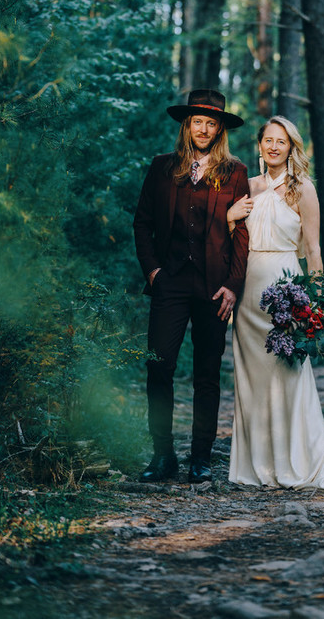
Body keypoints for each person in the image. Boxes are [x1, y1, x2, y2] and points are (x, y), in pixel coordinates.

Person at [133, 89, 249, 484]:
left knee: (207, 374)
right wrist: (153, 272)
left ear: (219, 129)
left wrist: (234, 285)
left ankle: (201, 458)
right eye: (197, 121)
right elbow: (142, 224)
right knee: (159, 365)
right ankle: (163, 456)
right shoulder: (162, 167)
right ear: (187, 126)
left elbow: (242, 235)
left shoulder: (235, 171)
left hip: (215, 288)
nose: (203, 128)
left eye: (211, 123)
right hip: (170, 284)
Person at [227, 116, 324, 490]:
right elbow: (227, 240)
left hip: (285, 289)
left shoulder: (302, 189)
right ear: (260, 146)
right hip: (247, 292)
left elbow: (312, 248)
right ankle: (255, 467)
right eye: (269, 140)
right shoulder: (246, 187)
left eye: (282, 141)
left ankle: (298, 461)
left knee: (289, 373)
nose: (274, 146)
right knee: (252, 378)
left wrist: (314, 302)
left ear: (291, 147)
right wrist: (230, 221)